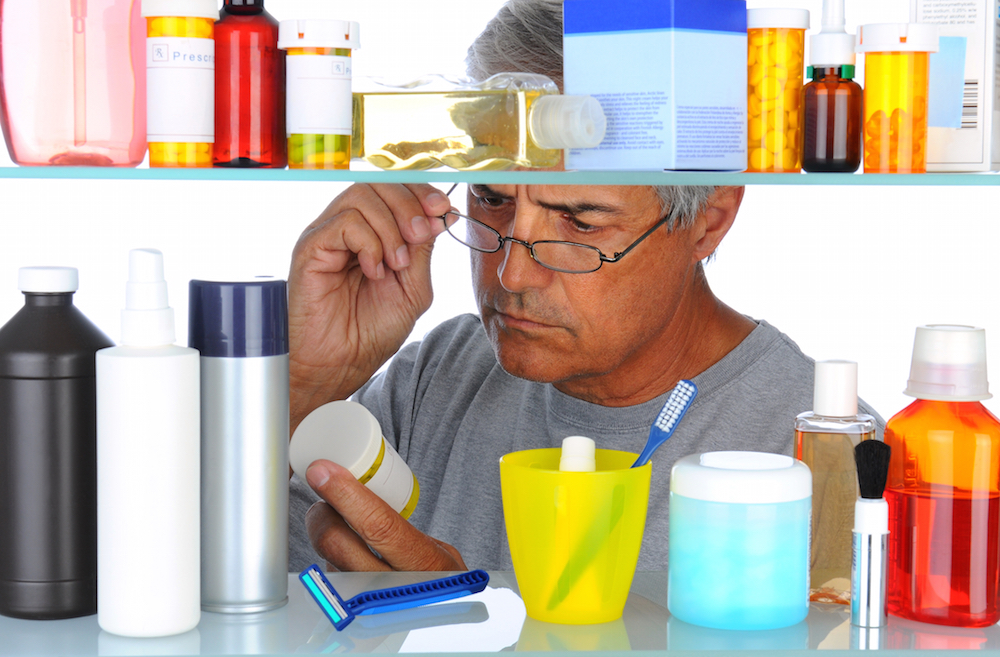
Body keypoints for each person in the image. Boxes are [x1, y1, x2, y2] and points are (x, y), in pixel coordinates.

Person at [286, 0, 883, 573]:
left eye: (579, 220)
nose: (511, 276)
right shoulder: (437, 379)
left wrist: (465, 622)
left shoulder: (820, 446)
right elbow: (228, 589)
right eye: (490, 198)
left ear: (709, 220)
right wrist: (304, 383)